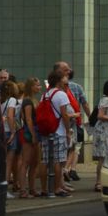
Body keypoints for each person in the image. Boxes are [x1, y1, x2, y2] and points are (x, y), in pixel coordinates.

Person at [41, 69, 74, 197]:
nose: (66, 80)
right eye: (64, 78)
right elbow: (65, 115)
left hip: (46, 131)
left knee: (45, 160)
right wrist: (67, 131)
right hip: (58, 131)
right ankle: (57, 188)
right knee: (58, 161)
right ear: (59, 80)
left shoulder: (46, 94)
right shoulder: (61, 95)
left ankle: (44, 189)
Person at [17, 78, 42, 199]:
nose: (39, 87)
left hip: (35, 131)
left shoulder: (34, 100)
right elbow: (28, 119)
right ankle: (23, 190)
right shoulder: (27, 101)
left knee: (35, 162)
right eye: (37, 85)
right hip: (30, 132)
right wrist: (32, 135)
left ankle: (32, 188)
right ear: (31, 87)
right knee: (26, 162)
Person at [0, 79, 20, 196]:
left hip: (2, 132)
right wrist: (13, 132)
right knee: (9, 162)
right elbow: (10, 116)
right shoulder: (12, 100)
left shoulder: (1, 100)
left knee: (3, 162)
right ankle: (5, 189)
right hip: (9, 131)